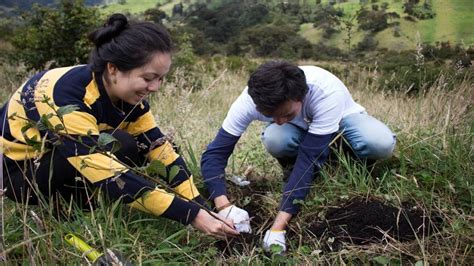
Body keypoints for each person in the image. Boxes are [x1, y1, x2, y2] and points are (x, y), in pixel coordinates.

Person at [0, 13, 238, 239]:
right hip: (18, 173)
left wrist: (199, 204)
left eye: (161, 78)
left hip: (59, 155)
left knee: (130, 144)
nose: (155, 87)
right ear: (113, 68)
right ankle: (64, 207)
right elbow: (110, 175)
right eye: (148, 78)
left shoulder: (128, 97)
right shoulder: (66, 98)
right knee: (116, 153)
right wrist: (192, 216)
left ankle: (84, 199)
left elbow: (159, 149)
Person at [201, 60, 396, 252]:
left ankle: (352, 160)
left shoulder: (325, 93)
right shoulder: (249, 101)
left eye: (285, 114)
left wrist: (278, 227)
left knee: (379, 142)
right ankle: (292, 162)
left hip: (342, 119)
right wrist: (223, 206)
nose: (278, 121)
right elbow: (215, 154)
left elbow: (308, 161)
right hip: (299, 127)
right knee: (275, 138)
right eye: (270, 115)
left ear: (301, 97)